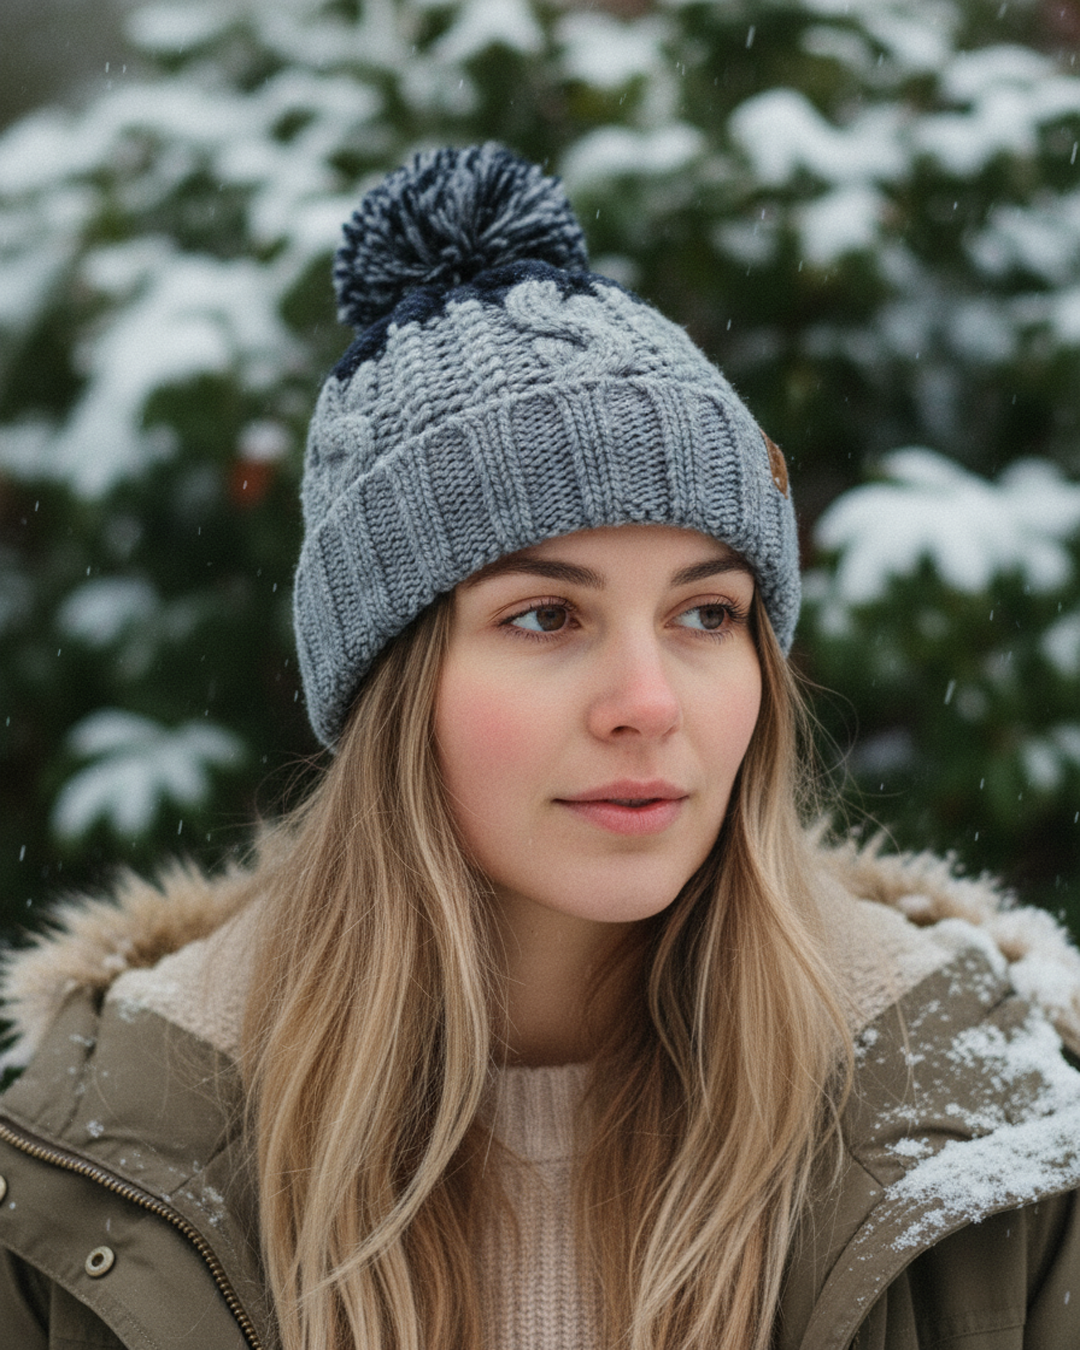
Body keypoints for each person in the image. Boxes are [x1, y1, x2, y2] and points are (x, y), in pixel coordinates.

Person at [1, 143, 1079, 1350]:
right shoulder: (109, 1159)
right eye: (545, 616)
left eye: (707, 614)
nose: (647, 701)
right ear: (391, 689)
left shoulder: (990, 1135)